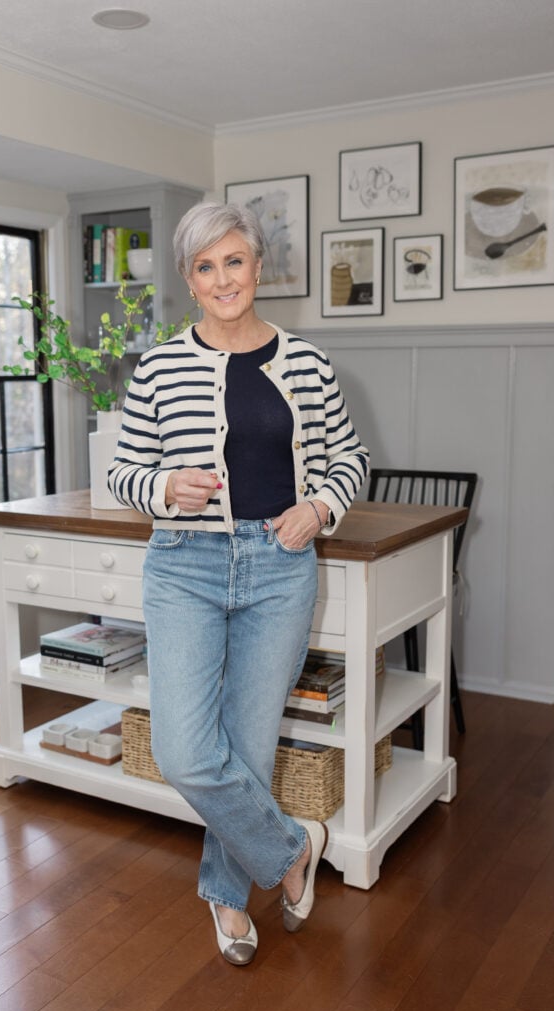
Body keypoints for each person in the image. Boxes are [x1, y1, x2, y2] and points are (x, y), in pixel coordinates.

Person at [108, 201, 369, 966]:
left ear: (257, 267)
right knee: (187, 752)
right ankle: (294, 846)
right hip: (183, 566)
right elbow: (123, 471)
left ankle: (227, 900)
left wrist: (319, 506)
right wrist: (163, 487)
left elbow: (349, 459)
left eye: (234, 260)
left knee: (247, 751)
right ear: (190, 280)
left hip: (278, 568)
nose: (222, 277)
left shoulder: (307, 362)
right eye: (204, 265)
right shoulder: (157, 365)